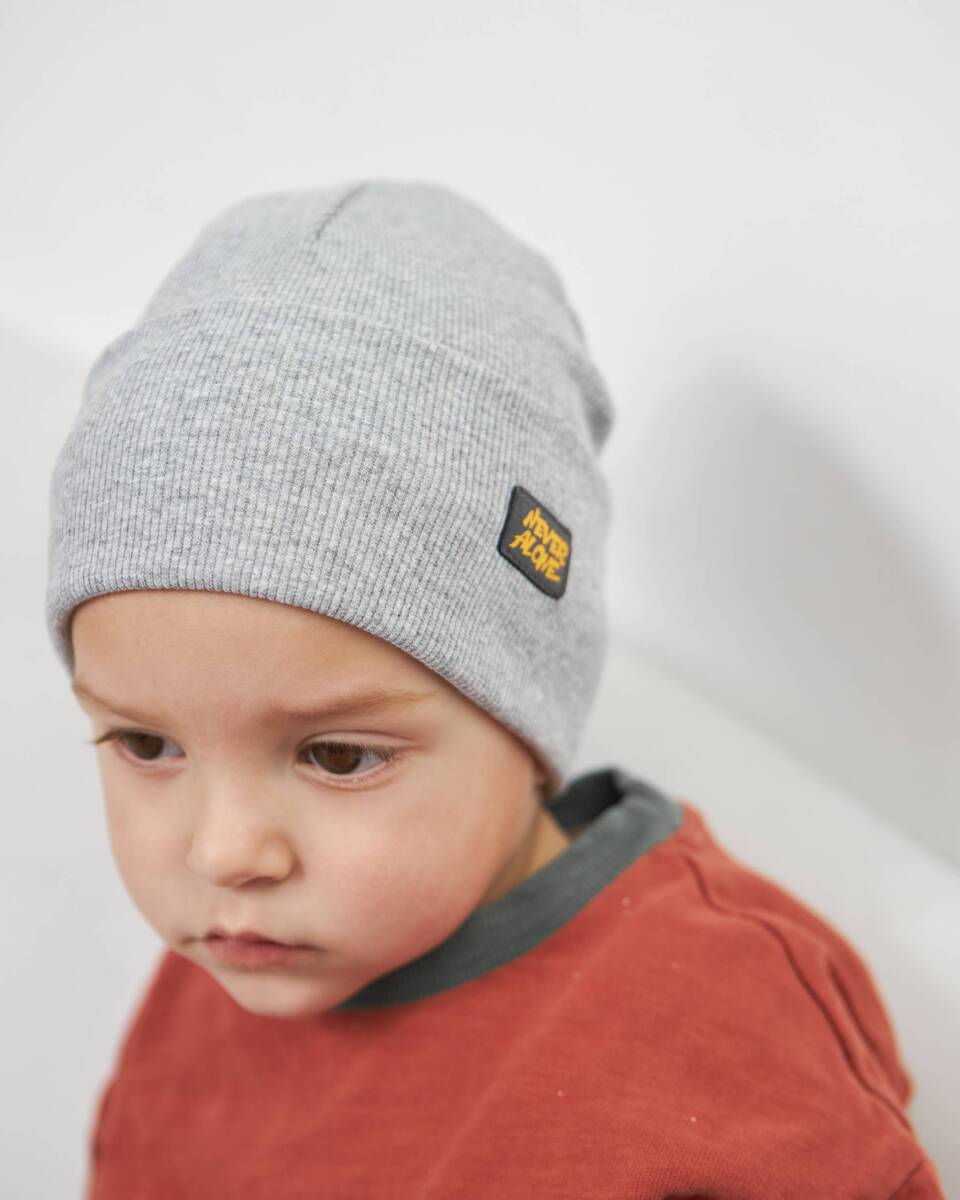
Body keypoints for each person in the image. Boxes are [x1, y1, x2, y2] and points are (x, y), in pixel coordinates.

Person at [45, 179, 944, 1199]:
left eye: (337, 755)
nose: (221, 853)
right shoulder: (237, 957)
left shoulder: (729, 1037)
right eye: (147, 744)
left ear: (523, 715)